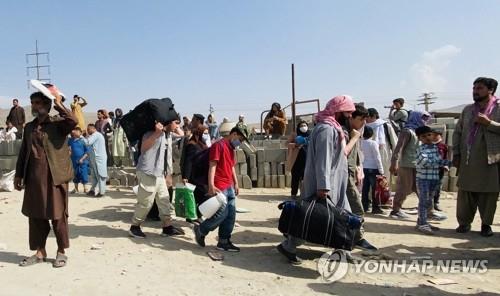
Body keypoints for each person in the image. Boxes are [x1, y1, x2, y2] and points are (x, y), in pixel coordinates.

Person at [277, 95, 355, 264]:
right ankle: (289, 245)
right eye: (348, 112)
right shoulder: (327, 129)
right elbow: (323, 158)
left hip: (335, 181)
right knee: (312, 217)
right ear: (339, 111)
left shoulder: (333, 128)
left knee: (342, 216)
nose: (350, 116)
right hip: (325, 183)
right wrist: (323, 185)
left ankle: (342, 249)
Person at [15, 91, 77, 268]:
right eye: (32, 102)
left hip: (55, 177)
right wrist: (19, 175)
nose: (34, 106)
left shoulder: (58, 124)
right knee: (35, 215)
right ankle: (40, 251)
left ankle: (61, 251)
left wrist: (59, 103)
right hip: (34, 178)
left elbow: (73, 121)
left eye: (38, 102)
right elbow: (23, 152)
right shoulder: (29, 127)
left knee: (58, 215)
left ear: (47, 105)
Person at [453, 77, 500, 237]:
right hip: (468, 159)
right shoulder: (467, 110)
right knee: (465, 192)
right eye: (474, 88)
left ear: (490, 90)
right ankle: (464, 223)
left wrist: (489, 123)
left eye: (479, 88)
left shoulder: (498, 108)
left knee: (489, 193)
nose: (475, 91)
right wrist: (457, 153)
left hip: (491, 159)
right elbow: (458, 132)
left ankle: (486, 225)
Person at [193, 126, 249, 252]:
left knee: (231, 215)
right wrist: (211, 185)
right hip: (219, 186)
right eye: (240, 139)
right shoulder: (218, 145)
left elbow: (231, 167)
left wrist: (236, 182)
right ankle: (201, 229)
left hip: (229, 185)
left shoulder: (231, 148)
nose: (241, 142)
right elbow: (212, 165)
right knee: (221, 214)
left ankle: (224, 241)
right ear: (234, 134)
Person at [128, 119, 185, 238]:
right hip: (148, 172)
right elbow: (143, 148)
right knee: (146, 202)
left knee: (164, 200)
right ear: (168, 123)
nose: (177, 126)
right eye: (175, 123)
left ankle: (167, 227)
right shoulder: (150, 133)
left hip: (159, 173)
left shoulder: (167, 135)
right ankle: (135, 227)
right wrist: (156, 134)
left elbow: (181, 135)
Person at [341, 104, 377, 251]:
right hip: (342, 175)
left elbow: (355, 153)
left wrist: (357, 167)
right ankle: (358, 238)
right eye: (361, 119)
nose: (364, 123)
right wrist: (355, 138)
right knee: (357, 207)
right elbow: (345, 152)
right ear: (352, 117)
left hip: (349, 173)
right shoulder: (343, 132)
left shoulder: (354, 131)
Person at [389, 110, 433, 219]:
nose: (425, 121)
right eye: (423, 118)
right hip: (407, 165)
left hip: (417, 165)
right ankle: (396, 210)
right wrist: (394, 163)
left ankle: (429, 212)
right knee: (404, 188)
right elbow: (398, 148)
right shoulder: (407, 131)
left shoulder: (419, 132)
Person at [414, 126, 451, 235]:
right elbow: (426, 163)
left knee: (429, 201)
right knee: (423, 201)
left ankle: (422, 222)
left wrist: (448, 163)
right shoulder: (421, 149)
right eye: (424, 136)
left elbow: (439, 161)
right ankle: (423, 224)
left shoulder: (435, 148)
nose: (427, 138)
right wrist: (440, 163)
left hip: (434, 178)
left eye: (429, 135)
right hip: (424, 179)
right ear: (419, 138)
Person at [181, 125, 209, 223]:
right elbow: (188, 161)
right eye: (204, 133)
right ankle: (194, 215)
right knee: (204, 196)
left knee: (196, 197)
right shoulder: (192, 144)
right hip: (194, 176)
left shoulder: (202, 144)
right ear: (199, 134)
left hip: (202, 175)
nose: (206, 135)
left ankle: (193, 216)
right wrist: (186, 177)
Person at [361, 126, 385, 214]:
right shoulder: (373, 143)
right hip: (374, 168)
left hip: (364, 167)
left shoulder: (360, 142)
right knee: (375, 189)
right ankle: (376, 208)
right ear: (372, 134)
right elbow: (377, 157)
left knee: (365, 189)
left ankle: (364, 206)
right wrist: (381, 170)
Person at [287, 121, 310, 198]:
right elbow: (287, 144)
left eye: (305, 125)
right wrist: (296, 145)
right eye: (302, 126)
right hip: (296, 160)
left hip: (307, 160)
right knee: (295, 178)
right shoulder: (295, 134)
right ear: (298, 127)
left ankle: (303, 194)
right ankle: (293, 194)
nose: (304, 127)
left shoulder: (310, 134)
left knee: (305, 178)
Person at [366, 108, 391, 179]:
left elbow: (394, 142)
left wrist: (396, 160)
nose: (366, 119)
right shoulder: (363, 127)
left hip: (383, 155)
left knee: (383, 180)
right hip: (368, 158)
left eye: (367, 117)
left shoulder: (386, 126)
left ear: (373, 116)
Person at [84, 124, 108, 197]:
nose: (88, 131)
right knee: (94, 175)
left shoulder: (96, 135)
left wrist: (81, 137)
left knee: (100, 175)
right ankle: (92, 190)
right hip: (94, 159)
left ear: (93, 128)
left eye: (88, 129)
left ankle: (101, 192)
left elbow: (88, 142)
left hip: (99, 159)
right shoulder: (93, 135)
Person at [68, 127, 89, 194]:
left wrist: (82, 159)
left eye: (79, 132)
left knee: (84, 174)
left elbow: (87, 152)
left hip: (83, 161)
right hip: (74, 161)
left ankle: (85, 188)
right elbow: (68, 149)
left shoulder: (83, 141)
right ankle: (76, 188)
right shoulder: (70, 140)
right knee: (75, 174)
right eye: (76, 131)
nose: (78, 133)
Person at [433, 130, 448, 211]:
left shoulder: (443, 146)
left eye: (436, 135)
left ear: (440, 136)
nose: (434, 137)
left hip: (440, 170)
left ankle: (436, 203)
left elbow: (445, 157)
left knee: (438, 187)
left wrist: (446, 166)